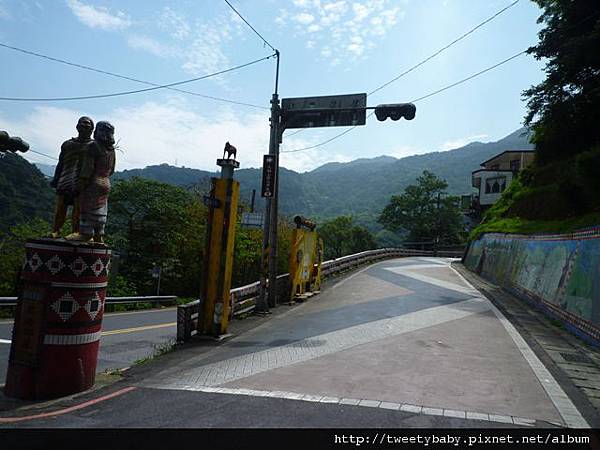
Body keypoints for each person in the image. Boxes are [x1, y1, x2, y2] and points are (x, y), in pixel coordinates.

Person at [67, 121, 116, 243]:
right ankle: (99, 235)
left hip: (93, 181)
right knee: (101, 209)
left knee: (87, 207)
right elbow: (112, 169)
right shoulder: (111, 150)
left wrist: (80, 183)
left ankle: (86, 233)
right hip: (105, 182)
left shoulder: (93, 146)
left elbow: (87, 169)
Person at [50, 117, 95, 238]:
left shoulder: (93, 146)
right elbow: (61, 162)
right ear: (77, 126)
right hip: (65, 178)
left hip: (83, 182)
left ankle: (76, 231)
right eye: (82, 124)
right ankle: (56, 230)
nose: (84, 126)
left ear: (92, 128)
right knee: (60, 207)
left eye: (87, 124)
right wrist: (56, 178)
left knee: (78, 208)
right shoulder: (67, 144)